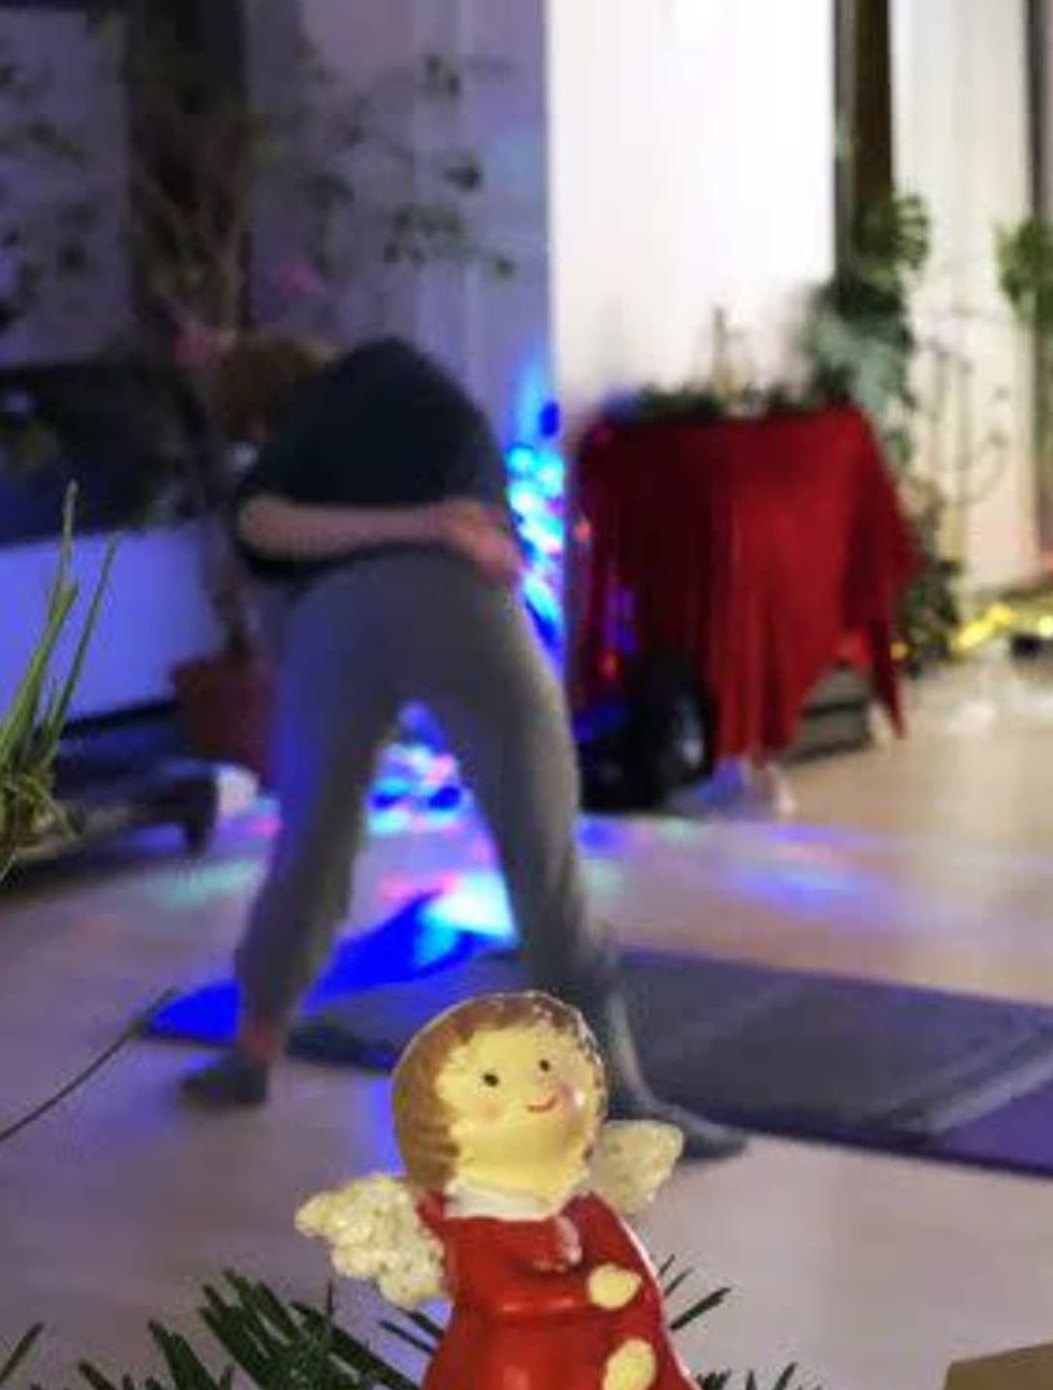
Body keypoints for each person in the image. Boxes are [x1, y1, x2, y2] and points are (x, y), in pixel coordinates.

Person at [175, 329, 737, 1154]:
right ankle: (619, 1094)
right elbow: (485, 522)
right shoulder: (402, 369)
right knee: (541, 854)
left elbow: (259, 525)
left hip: (334, 622)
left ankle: (252, 1047)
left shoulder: (293, 446)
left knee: (313, 843)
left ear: (262, 415)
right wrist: (433, 523)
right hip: (464, 608)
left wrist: (386, 538)